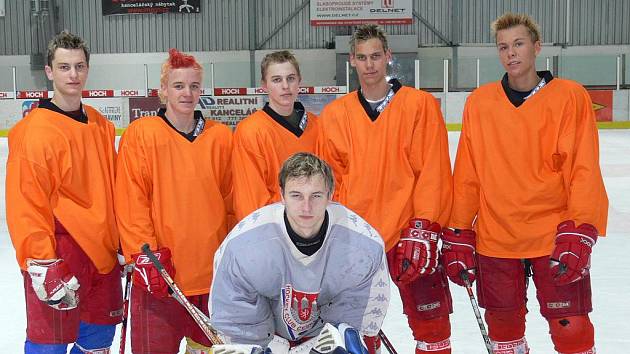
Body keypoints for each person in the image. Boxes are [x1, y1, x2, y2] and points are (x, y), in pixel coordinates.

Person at [441, 13, 608, 354]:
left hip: (553, 234)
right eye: (503, 47)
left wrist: (581, 226)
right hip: (496, 237)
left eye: (518, 44)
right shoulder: (480, 103)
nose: (510, 53)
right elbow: (469, 173)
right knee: (503, 331)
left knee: (572, 328)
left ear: (536, 47)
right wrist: (458, 231)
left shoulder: (569, 96)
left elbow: (583, 167)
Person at [317, 25, 454, 354]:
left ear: (388, 57)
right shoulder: (335, 115)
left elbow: (432, 170)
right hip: (356, 238)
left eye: (376, 56)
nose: (370, 65)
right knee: (355, 333)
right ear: (352, 61)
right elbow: (329, 182)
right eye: (362, 57)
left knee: (432, 325)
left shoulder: (419, 105)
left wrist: (425, 224)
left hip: (409, 234)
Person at [6, 30, 122, 353]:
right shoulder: (33, 132)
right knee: (49, 347)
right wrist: (42, 262)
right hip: (59, 254)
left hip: (103, 259)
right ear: (49, 72)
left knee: (98, 341)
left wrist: (124, 240)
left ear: (87, 69)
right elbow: (25, 204)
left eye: (79, 66)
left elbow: (114, 188)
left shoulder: (101, 125)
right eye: (64, 67)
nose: (73, 74)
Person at [209, 152, 390, 354]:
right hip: (268, 338)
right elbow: (237, 325)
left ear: (330, 194)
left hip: (326, 335)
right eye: (296, 195)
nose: (306, 207)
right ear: (281, 194)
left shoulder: (364, 246)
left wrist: (342, 338)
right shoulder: (242, 247)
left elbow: (352, 322)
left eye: (316, 195)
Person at [115, 48, 233, 354]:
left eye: (193, 86)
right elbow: (132, 199)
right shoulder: (142, 134)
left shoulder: (220, 137)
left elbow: (231, 200)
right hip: (159, 280)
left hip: (211, 280)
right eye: (178, 86)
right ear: (163, 90)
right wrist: (143, 254)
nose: (187, 93)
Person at [232, 50, 319, 222]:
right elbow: (250, 201)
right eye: (277, 80)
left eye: (291, 78)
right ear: (264, 85)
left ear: (299, 81)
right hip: (275, 231)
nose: (285, 86)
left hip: (316, 228)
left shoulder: (318, 125)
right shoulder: (250, 130)